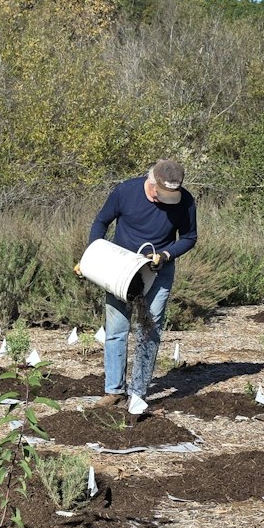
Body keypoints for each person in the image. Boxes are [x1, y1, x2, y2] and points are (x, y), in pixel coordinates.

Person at [86, 158, 198, 411]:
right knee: (116, 328)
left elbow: (190, 237)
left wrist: (166, 254)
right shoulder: (126, 191)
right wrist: (94, 253)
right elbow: (101, 221)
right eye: (162, 194)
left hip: (159, 269)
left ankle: (138, 393)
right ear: (151, 183)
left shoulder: (185, 201)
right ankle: (114, 391)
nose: (166, 201)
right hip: (120, 268)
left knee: (150, 327)